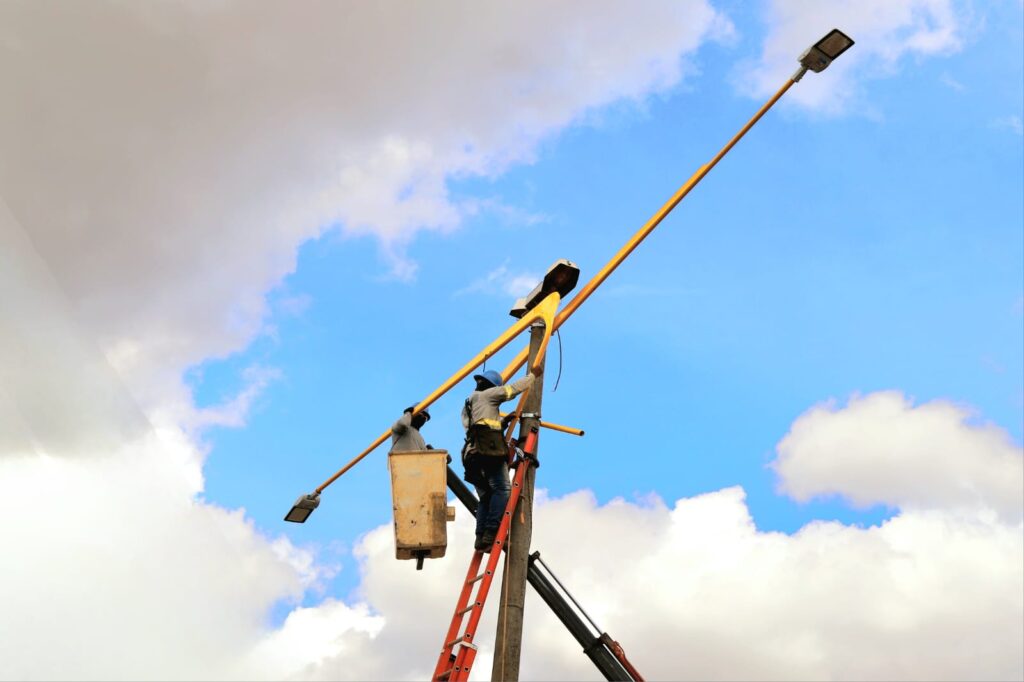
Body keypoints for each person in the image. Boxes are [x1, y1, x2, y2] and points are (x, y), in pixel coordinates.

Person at [461, 366, 542, 551]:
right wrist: (533, 376)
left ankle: (480, 538)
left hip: (471, 455)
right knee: (502, 489)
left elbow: (482, 429)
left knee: (486, 497)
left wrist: (504, 423)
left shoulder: (469, 404)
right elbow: (512, 390)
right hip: (487, 453)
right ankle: (491, 534)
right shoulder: (489, 395)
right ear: (492, 387)